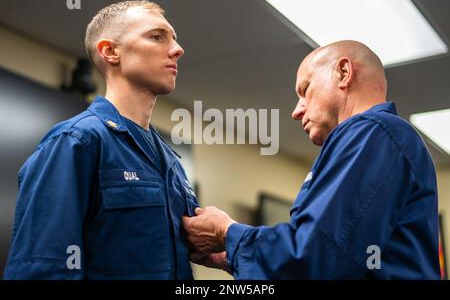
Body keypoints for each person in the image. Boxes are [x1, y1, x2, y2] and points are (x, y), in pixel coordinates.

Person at [183, 40, 440, 279]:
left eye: (305, 90)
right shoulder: (378, 138)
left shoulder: (372, 131)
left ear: (343, 73)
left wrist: (226, 232)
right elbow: (343, 261)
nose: (297, 111)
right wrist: (230, 258)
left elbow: (316, 255)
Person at [4, 0, 200, 279]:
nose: (178, 49)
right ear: (110, 52)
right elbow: (42, 268)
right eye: (157, 36)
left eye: (175, 40)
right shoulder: (75, 141)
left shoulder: (171, 162)